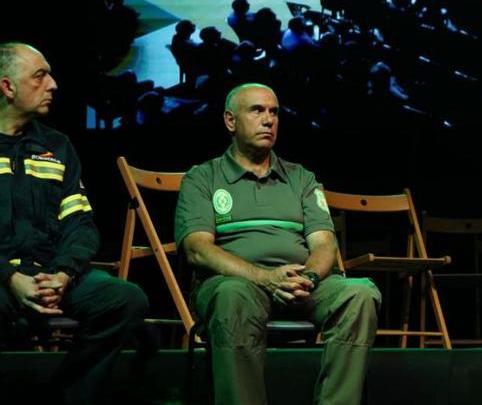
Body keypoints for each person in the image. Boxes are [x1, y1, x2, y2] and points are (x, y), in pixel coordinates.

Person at [175, 83, 381, 405]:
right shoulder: (203, 178)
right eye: (257, 110)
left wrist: (309, 278)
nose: (268, 120)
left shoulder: (301, 178)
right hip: (239, 283)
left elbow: (325, 245)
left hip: (302, 283)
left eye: (274, 112)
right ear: (231, 121)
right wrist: (263, 277)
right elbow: (198, 248)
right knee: (231, 295)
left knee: (360, 293)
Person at [0, 43, 149, 404]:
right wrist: (9, 276)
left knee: (125, 299)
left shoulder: (57, 145)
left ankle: (65, 397)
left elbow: (81, 223)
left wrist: (63, 274)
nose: (53, 84)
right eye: (40, 76)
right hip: (4, 279)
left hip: (53, 274)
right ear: (7, 87)